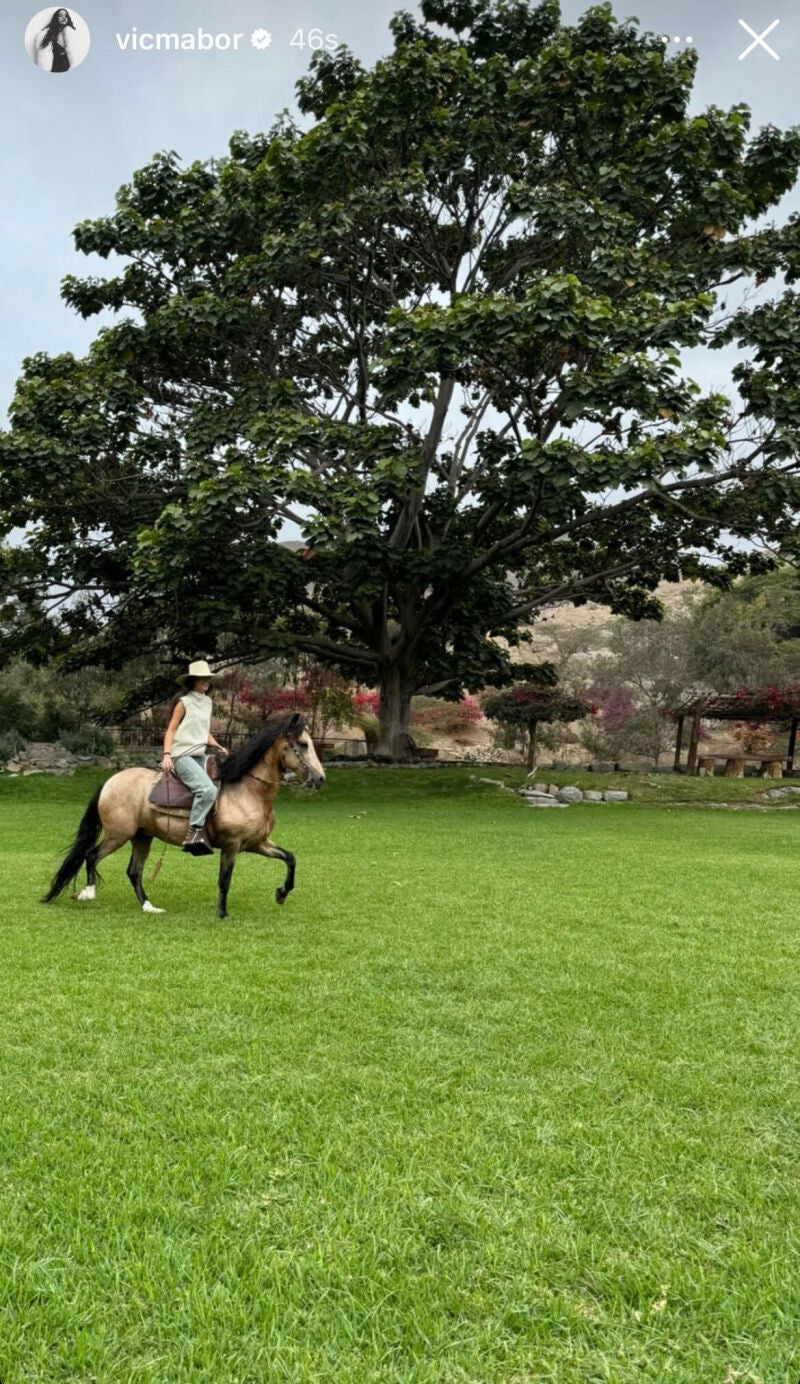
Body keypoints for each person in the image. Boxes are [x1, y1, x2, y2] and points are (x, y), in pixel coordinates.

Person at [162, 660, 229, 856]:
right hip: (181, 754)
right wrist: (167, 755)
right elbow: (171, 729)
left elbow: (203, 731)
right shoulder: (184, 702)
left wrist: (216, 745)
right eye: (203, 678)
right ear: (193, 681)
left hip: (200, 754)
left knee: (216, 790)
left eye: (208, 678)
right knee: (207, 789)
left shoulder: (207, 702)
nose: (207, 681)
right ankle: (193, 833)